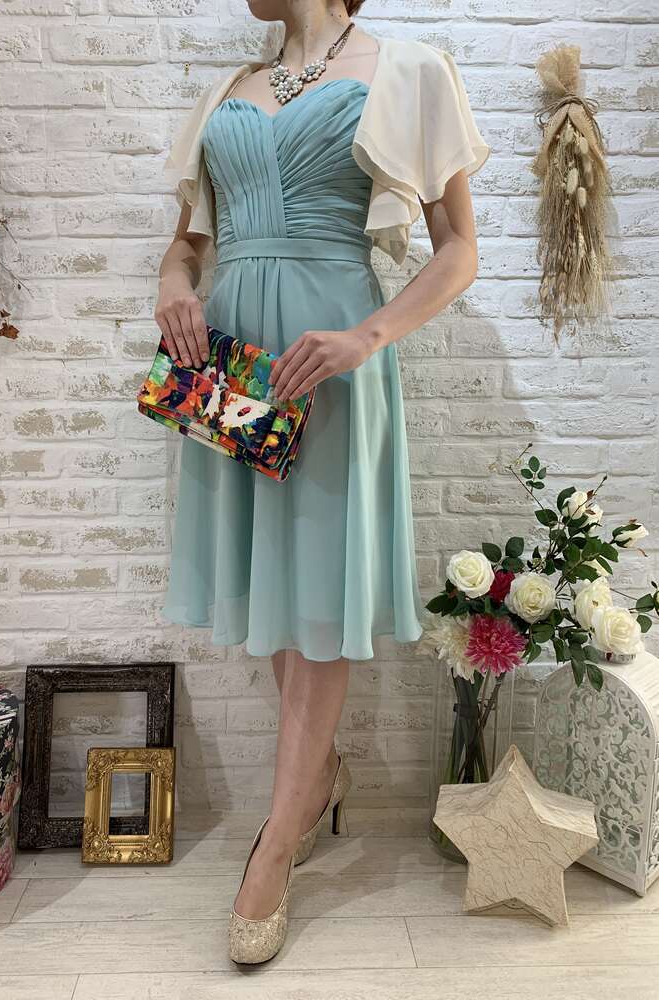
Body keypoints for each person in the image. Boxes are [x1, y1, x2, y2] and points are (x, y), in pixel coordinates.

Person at [153, 0, 490, 965]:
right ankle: (317, 778)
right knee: (274, 581)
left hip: (329, 355)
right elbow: (190, 242)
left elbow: (459, 250)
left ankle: (274, 843)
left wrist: (367, 337)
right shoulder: (230, 88)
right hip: (231, 359)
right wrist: (174, 289)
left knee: (317, 588)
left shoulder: (410, 70)